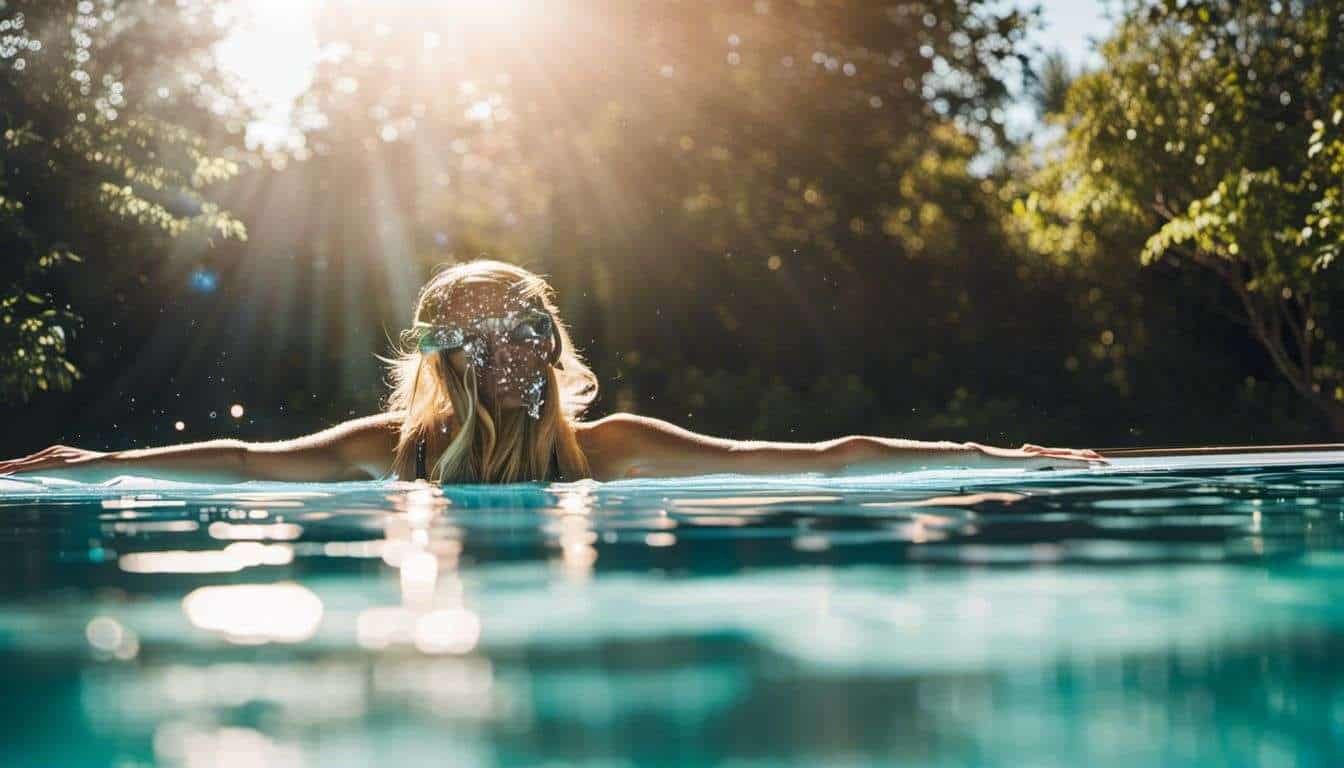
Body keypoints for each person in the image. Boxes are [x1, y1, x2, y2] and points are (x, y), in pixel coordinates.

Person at [0, 260, 1104, 484]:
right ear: (451, 358)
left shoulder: (608, 448)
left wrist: (997, 454)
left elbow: (821, 460)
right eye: (495, 336)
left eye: (536, 330)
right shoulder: (396, 457)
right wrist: (86, 464)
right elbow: (243, 462)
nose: (523, 352)